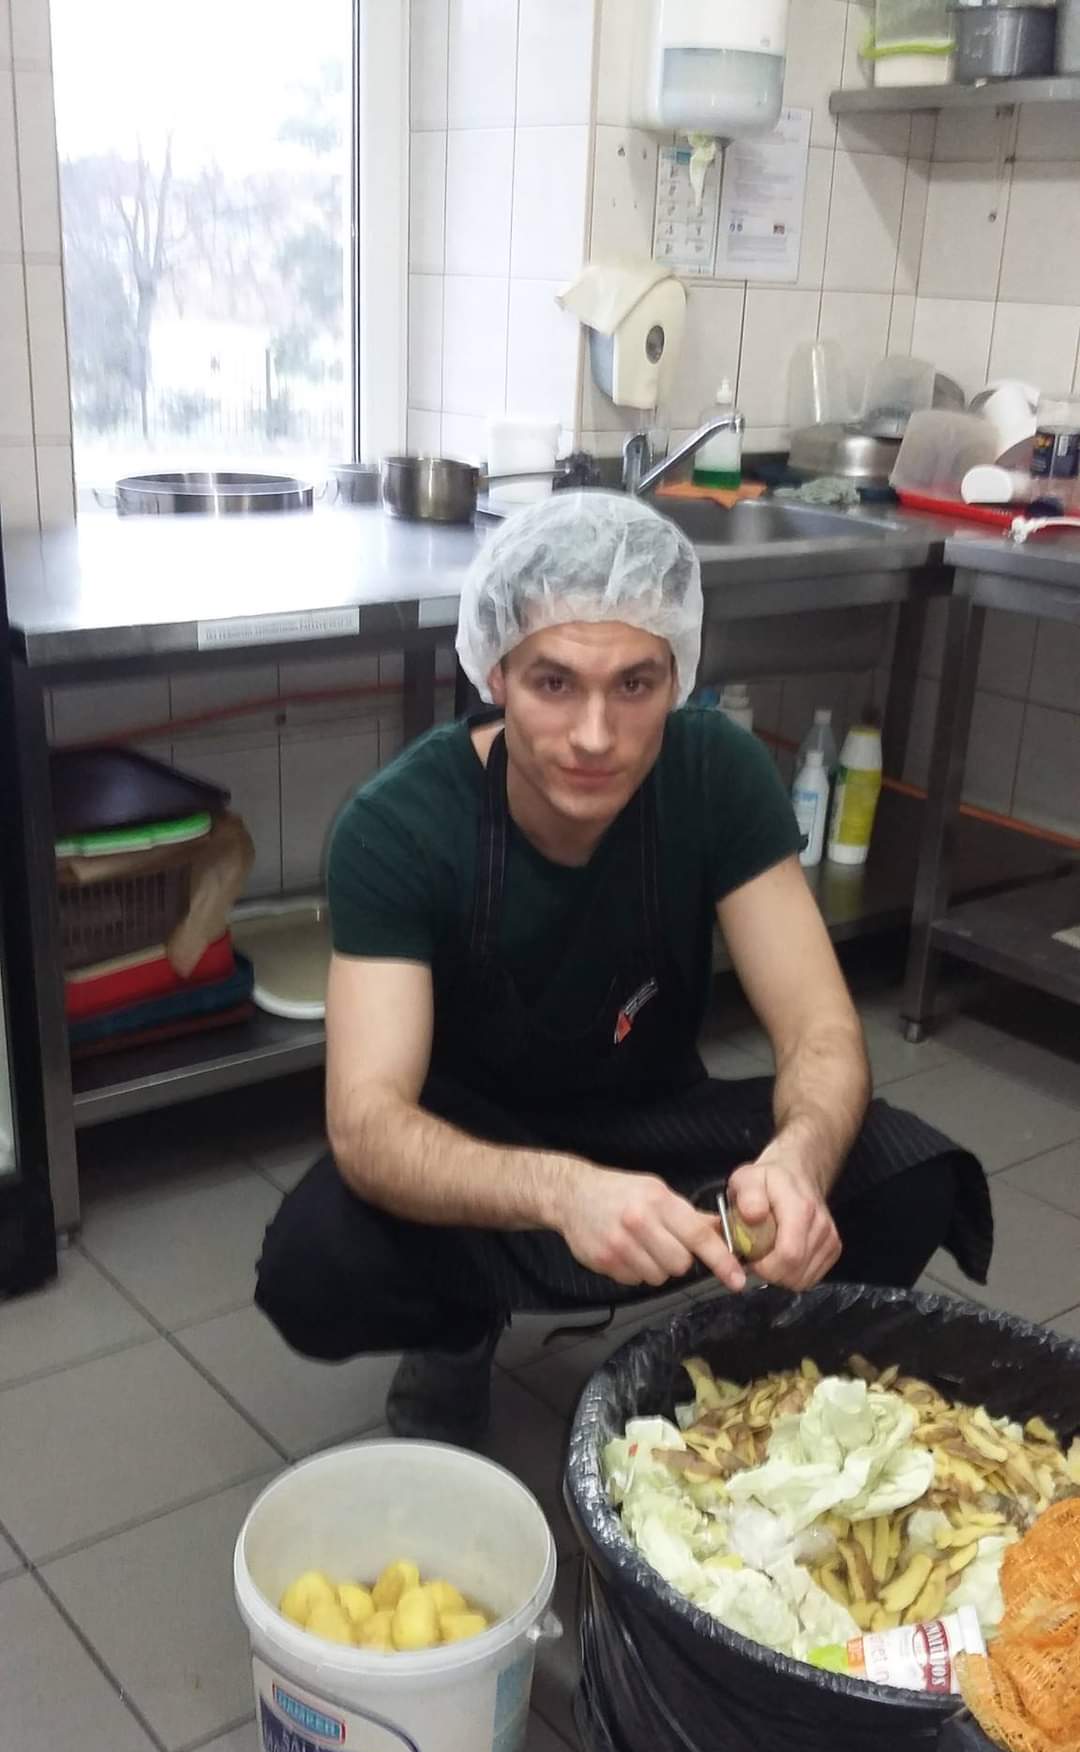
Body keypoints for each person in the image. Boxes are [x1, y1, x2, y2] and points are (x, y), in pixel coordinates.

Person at [256, 491, 991, 1444]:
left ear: (679, 674)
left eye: (635, 685)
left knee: (908, 1175)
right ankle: (457, 1332)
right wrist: (563, 1193)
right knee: (319, 1264)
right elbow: (367, 1123)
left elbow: (819, 1028)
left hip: (653, 1118)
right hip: (480, 1139)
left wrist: (795, 1164)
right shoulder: (400, 825)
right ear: (495, 672)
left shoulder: (715, 774)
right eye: (554, 683)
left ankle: (736, 1376)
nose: (595, 736)